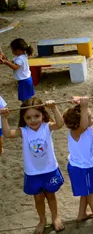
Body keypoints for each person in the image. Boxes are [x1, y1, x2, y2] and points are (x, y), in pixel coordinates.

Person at [0, 98, 65, 234]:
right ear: (23, 118)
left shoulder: (47, 127)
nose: (33, 120)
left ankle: (55, 217)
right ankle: (42, 220)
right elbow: (7, 133)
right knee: (38, 198)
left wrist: (54, 108)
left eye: (37, 116)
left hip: (49, 169)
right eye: (28, 117)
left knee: (51, 195)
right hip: (32, 172)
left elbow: (60, 124)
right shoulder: (23, 131)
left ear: (42, 115)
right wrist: (4, 118)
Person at [64, 96, 93, 225]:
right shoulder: (77, 132)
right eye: (89, 116)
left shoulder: (85, 128)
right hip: (81, 168)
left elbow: (83, 121)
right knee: (91, 192)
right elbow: (83, 123)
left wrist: (81, 104)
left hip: (83, 166)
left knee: (86, 192)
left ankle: (81, 214)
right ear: (81, 121)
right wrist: (83, 107)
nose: (92, 117)